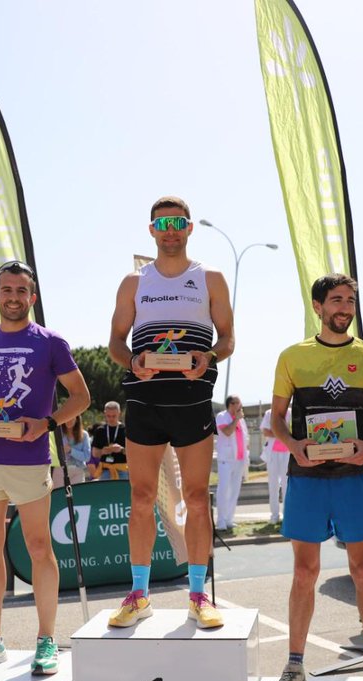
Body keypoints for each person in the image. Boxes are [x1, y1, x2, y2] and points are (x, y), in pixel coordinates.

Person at [264, 273, 363, 681]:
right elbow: (277, 418)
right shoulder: (292, 356)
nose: (344, 308)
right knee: (304, 573)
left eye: (350, 300)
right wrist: (295, 446)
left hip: (356, 477)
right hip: (306, 477)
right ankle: (294, 668)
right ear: (318, 306)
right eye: (336, 300)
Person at [0, 260, 90, 675]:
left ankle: (46, 640)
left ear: (32, 297)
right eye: (6, 290)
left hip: (30, 462)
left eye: (21, 291)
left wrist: (46, 423)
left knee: (38, 549)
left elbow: (81, 397)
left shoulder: (50, 343)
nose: (13, 297)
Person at [106, 196, 233, 630]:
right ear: (152, 230)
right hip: (145, 404)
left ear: (190, 227)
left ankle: (198, 596)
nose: (171, 230)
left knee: (197, 499)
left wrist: (208, 356)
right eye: (163, 223)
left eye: (178, 222)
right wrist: (133, 363)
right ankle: (139, 595)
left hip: (192, 403)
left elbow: (228, 340)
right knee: (140, 500)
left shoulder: (210, 278)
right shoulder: (133, 283)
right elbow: (116, 345)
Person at [214, 395, 250, 532]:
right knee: (224, 489)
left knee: (235, 490)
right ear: (231, 404)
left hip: (239, 460)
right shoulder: (222, 416)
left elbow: (244, 438)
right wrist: (236, 419)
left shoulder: (241, 420)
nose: (240, 405)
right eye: (238, 403)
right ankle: (221, 520)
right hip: (226, 459)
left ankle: (229, 519)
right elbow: (228, 432)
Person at [260, 403, 290, 524]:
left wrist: (277, 432)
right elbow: (266, 432)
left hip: (287, 452)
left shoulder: (292, 413)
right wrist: (283, 433)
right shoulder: (269, 413)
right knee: (273, 485)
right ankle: (274, 515)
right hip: (273, 454)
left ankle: (287, 515)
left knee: (287, 485)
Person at [90, 401, 127, 480]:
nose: (111, 419)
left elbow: (134, 453)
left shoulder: (126, 430)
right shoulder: (100, 430)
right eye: (108, 416)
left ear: (119, 414)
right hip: (105, 470)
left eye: (114, 416)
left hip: (123, 470)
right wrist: (103, 451)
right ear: (104, 414)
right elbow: (94, 453)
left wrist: (121, 450)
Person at [52, 415, 91, 488]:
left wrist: (71, 450)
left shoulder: (84, 435)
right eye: (67, 418)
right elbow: (52, 453)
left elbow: (87, 457)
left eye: (71, 418)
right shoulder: (57, 433)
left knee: (77, 496)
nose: (69, 421)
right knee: (58, 496)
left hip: (78, 470)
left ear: (77, 419)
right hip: (60, 470)